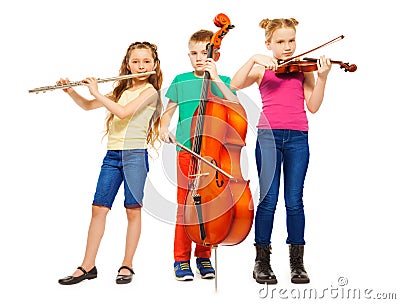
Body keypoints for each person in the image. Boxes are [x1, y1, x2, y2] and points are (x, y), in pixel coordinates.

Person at [231, 18, 332, 284]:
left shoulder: (302, 69)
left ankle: (297, 263)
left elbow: (313, 106)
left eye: (291, 41)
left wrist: (322, 78)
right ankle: (261, 261)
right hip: (268, 138)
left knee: (294, 201)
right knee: (268, 200)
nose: (287, 47)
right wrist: (254, 58)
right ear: (269, 44)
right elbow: (235, 83)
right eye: (280, 42)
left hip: (298, 138)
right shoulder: (262, 69)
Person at [57, 41, 163, 285]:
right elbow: (87, 106)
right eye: (135, 61)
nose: (140, 66)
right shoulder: (120, 90)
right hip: (112, 156)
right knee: (98, 208)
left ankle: (127, 264)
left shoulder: (150, 91)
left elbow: (123, 112)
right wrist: (72, 91)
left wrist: (95, 92)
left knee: (132, 210)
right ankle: (87, 266)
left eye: (146, 61)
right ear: (127, 64)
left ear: (154, 65)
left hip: (135, 156)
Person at [160, 29, 238, 281]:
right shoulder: (181, 80)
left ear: (216, 53)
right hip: (187, 152)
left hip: (213, 155)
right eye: (193, 53)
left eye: (204, 52)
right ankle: (181, 260)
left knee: (209, 207)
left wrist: (214, 78)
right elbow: (168, 112)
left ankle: (203, 257)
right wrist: (163, 128)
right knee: (185, 208)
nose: (198, 58)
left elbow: (235, 107)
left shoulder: (223, 80)